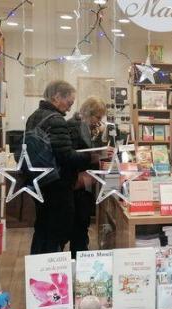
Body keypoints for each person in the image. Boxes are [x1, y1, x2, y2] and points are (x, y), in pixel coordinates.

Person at [25, 80, 92, 254]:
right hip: (58, 185)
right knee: (58, 231)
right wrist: (92, 156)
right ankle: (54, 272)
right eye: (69, 103)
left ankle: (39, 271)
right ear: (56, 97)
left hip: (39, 182)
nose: (69, 109)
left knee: (42, 228)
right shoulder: (56, 120)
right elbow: (66, 156)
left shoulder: (34, 116)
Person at [66, 96, 107, 256]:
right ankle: (77, 259)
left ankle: (79, 258)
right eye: (97, 117)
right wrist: (98, 156)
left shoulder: (83, 127)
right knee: (78, 224)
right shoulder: (74, 127)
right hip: (76, 183)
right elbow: (72, 155)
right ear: (89, 113)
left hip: (82, 184)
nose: (98, 121)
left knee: (81, 224)